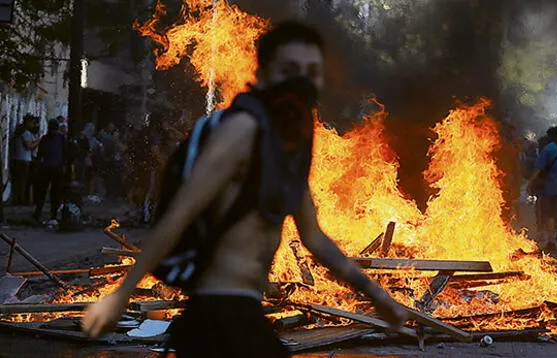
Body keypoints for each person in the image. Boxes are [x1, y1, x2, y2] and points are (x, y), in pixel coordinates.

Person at [82, 21, 407, 357]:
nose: (301, 81)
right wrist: (120, 296)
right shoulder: (242, 129)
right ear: (265, 74)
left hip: (246, 314)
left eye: (311, 71)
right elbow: (181, 213)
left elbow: (316, 239)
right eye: (290, 69)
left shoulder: (285, 147)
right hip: (215, 318)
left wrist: (377, 296)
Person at [527, 127, 557, 253]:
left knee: (549, 215)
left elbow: (538, 169)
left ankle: (551, 242)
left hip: (551, 188)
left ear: (549, 137)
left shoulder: (548, 149)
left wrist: (530, 183)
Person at [32, 119, 66, 223]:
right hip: (57, 168)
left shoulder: (45, 138)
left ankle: (38, 212)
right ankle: (53, 214)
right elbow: (65, 152)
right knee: (55, 192)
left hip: (45, 167)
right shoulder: (61, 138)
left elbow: (40, 154)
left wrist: (38, 165)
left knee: (42, 191)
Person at [10, 114, 40, 205]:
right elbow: (28, 146)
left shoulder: (19, 132)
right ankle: (21, 200)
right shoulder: (25, 133)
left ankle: (17, 199)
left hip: (17, 158)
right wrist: (38, 142)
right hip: (23, 160)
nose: (34, 125)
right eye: (33, 123)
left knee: (18, 182)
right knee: (23, 181)